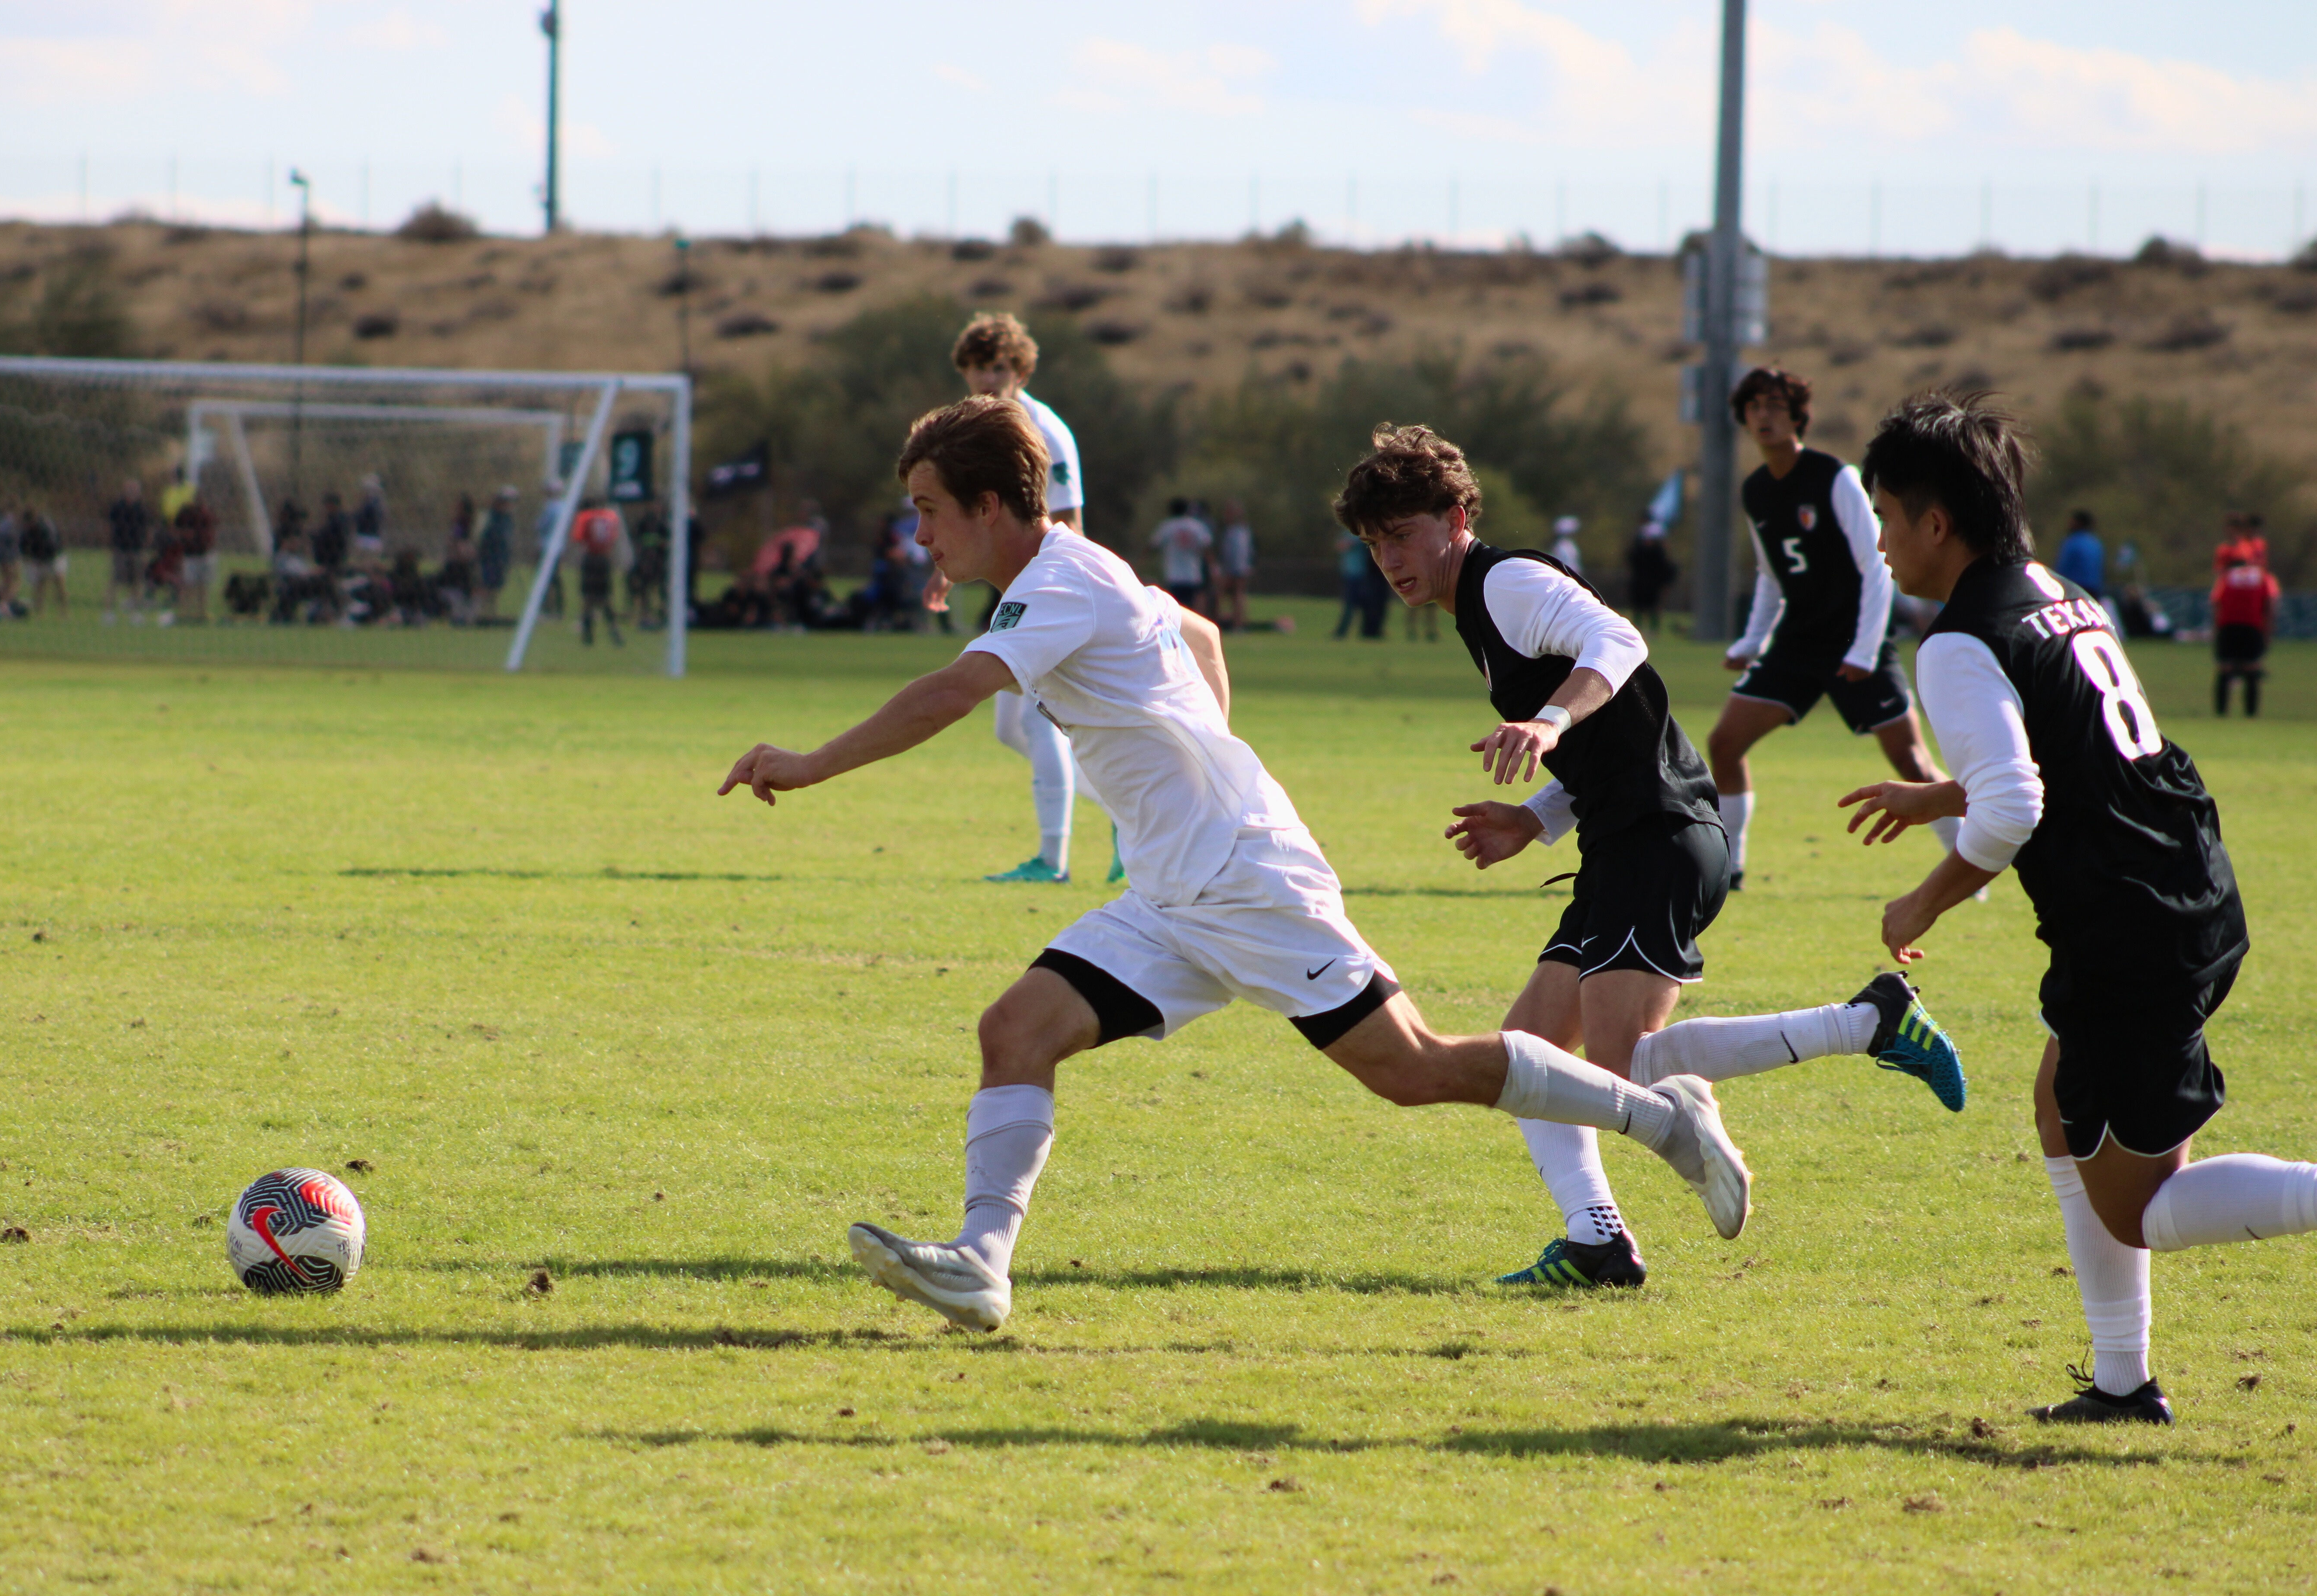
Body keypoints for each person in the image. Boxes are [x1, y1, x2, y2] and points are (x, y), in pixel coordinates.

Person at [717, 396, 1755, 1331]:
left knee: (1415, 1068)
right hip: (1175, 886)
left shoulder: (1062, 584)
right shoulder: (1075, 568)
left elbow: (951, 692)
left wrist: (809, 765)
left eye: (930, 509)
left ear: (992, 505)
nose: (919, 533)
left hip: (1245, 878)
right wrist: (1202, 761)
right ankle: (983, 1264)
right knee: (1015, 1029)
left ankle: (1658, 1118)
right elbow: (1200, 629)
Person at [1341, 424, 1964, 1289]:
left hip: (1662, 838)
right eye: (1375, 545)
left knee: (1619, 1066)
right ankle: (1597, 1240)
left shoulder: (1509, 582)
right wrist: (1534, 816)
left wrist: (1546, 721)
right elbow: (1619, 744)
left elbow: (1621, 646)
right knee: (1532, 1052)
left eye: (1401, 535)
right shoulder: (1478, 610)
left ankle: (1871, 1021)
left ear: (1454, 517)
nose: (1390, 559)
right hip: (1625, 838)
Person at [1840, 389, 2317, 1426]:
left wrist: (1926, 896)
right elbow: (2068, 749)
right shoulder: (2051, 589)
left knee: (2139, 1211)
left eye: (1885, 516)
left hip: (2130, 923)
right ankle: (2118, 1382)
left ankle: (2128, 1373)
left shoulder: (1957, 642)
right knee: (2061, 1104)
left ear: (1935, 522)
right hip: (2187, 877)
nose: (1879, 542)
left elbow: (2019, 804)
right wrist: (1940, 789)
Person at [1708, 366, 1961, 891]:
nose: (1765, 416)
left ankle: (1966, 867)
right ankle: (1729, 868)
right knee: (1725, 742)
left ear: (1799, 415)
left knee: (1913, 762)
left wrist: (1866, 650)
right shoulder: (1756, 490)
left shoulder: (1836, 477)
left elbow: (1875, 566)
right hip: (1797, 644)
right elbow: (1771, 575)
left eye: (1777, 406)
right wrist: (1753, 642)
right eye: (1756, 407)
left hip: (1856, 643)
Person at [943, 311, 1111, 887]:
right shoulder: (979, 431)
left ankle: (1052, 862)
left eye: (996, 366)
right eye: (975, 368)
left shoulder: (1045, 431)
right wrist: (948, 569)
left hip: (1051, 595)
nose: (986, 379)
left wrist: (1062, 597)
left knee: (1039, 725)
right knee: (1008, 730)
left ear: (1018, 367)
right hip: (1012, 592)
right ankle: (1118, 814)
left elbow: (1070, 527)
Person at [2210, 518, 2280, 718]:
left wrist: (2217, 629)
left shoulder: (2226, 578)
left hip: (2228, 626)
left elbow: (2216, 602)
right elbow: (2271, 603)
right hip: (2252, 626)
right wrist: (2268, 630)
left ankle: (2221, 715)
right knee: (2252, 669)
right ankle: (2251, 715)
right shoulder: (2263, 577)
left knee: (2225, 668)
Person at [574, 500, 628, 647]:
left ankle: (588, 634)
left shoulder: (585, 517)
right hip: (605, 559)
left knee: (588, 597)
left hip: (591, 559)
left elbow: (578, 538)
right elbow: (614, 538)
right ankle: (615, 632)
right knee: (606, 597)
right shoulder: (611, 516)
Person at [1149, 497, 1214, 614]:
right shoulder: (1197, 526)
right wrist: (1213, 567)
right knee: (1195, 608)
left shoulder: (1167, 526)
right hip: (1193, 574)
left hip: (1174, 575)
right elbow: (1207, 548)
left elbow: (1153, 545)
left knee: (1174, 608)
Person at [106, 478, 151, 624]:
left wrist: (145, 546)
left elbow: (147, 528)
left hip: (136, 548)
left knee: (136, 582)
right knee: (115, 581)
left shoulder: (141, 508)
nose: (133, 492)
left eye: (135, 490)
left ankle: (135, 613)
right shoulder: (118, 506)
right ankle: (109, 612)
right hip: (121, 548)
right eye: (130, 489)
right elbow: (110, 525)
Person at [173, 490, 216, 625]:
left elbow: (213, 530)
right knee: (188, 585)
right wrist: (184, 537)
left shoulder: (208, 513)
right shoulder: (188, 514)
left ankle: (202, 613)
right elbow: (177, 527)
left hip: (205, 553)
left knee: (203, 585)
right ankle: (185, 612)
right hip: (191, 554)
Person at [1625, 520, 1677, 633]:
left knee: (1654, 608)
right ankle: (1637, 628)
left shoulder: (1660, 554)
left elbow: (1667, 570)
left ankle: (1654, 630)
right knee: (1638, 608)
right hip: (1639, 584)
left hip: (1654, 586)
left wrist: (1666, 582)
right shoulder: (1638, 552)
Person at [477, 487, 516, 620]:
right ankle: (479, 611)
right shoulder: (490, 517)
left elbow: (508, 539)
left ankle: (491, 612)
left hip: (502, 557)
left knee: (497, 586)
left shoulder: (508, 519)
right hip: (489, 556)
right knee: (486, 584)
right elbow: (483, 537)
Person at [20, 503, 65, 616]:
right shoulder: (27, 530)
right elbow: (24, 546)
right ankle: (40, 613)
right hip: (39, 560)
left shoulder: (45, 527)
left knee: (59, 585)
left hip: (54, 557)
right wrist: (31, 558)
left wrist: (38, 558)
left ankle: (64, 612)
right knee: (40, 587)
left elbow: (52, 546)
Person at [1215, 498, 1254, 630]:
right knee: (1233, 596)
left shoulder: (1238, 532)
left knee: (1235, 596)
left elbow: (1236, 553)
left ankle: (1237, 624)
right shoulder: (1236, 530)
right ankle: (1234, 623)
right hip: (1236, 568)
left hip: (1235, 569)